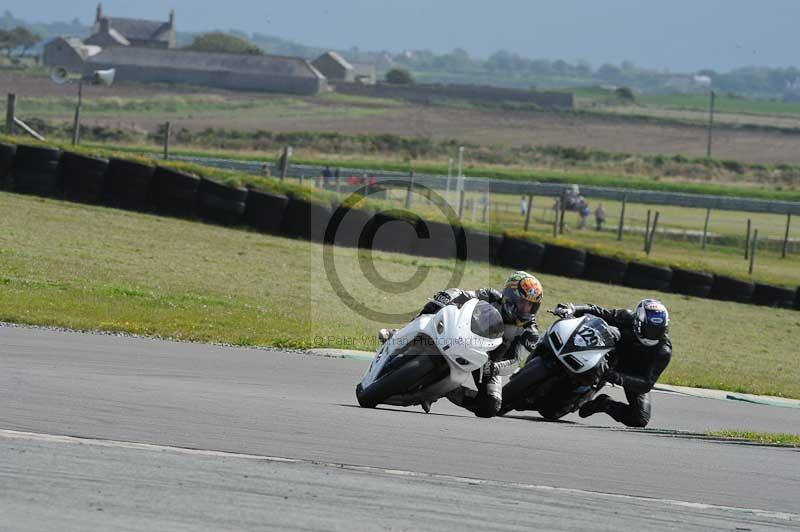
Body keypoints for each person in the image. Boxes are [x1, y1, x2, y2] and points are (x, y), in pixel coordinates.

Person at [379, 271, 544, 418]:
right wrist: (447, 297)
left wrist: (495, 368)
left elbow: (516, 361)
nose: (526, 309)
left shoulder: (530, 332)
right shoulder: (490, 295)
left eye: (531, 306)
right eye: (522, 302)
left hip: (489, 362)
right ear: (509, 295)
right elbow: (463, 294)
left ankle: (447, 390)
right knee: (435, 305)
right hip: (464, 336)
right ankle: (398, 334)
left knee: (490, 406)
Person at [552, 299, 671, 428]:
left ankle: (604, 403)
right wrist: (574, 309)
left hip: (632, 374)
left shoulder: (664, 351)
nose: (652, 335)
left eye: (657, 331)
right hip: (610, 356)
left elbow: (646, 383)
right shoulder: (627, 317)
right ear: (638, 322)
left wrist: (617, 377)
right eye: (649, 329)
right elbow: (600, 312)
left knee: (640, 419)